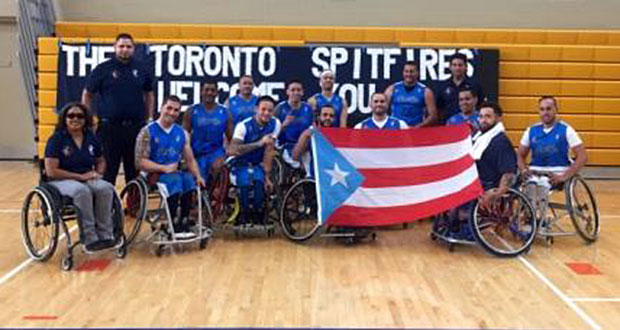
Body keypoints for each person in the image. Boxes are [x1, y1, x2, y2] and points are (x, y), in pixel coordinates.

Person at [82, 33, 155, 186]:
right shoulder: (103, 69)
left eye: (128, 46)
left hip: (135, 128)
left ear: (134, 49)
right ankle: (108, 208)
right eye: (121, 46)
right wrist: (89, 119)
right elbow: (87, 94)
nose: (125, 50)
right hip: (109, 128)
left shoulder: (141, 69)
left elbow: (149, 93)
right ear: (114, 48)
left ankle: (134, 207)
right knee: (108, 170)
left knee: (134, 171)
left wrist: (149, 118)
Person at [44, 102, 118, 253]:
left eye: (80, 116)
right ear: (64, 118)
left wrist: (98, 173)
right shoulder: (56, 139)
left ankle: (106, 234)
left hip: (85, 177)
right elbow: (51, 171)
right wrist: (80, 176)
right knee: (81, 191)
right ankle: (89, 239)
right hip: (61, 181)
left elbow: (101, 159)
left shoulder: (90, 137)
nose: (75, 119)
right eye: (71, 116)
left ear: (86, 119)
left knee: (105, 188)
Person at [135, 95, 206, 237]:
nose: (172, 113)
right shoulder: (147, 131)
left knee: (188, 179)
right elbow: (140, 162)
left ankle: (184, 220)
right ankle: (171, 222)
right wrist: (164, 168)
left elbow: (190, 160)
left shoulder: (182, 133)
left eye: (176, 110)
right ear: (161, 108)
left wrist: (198, 176)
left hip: (173, 173)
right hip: (154, 174)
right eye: (169, 108)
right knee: (175, 180)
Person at [516, 96, 587, 214]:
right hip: (535, 172)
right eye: (542, 109)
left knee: (541, 187)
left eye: (549, 109)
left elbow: (583, 157)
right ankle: (528, 219)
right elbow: (519, 155)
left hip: (557, 172)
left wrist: (564, 176)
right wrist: (523, 170)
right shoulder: (531, 130)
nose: (545, 112)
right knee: (523, 186)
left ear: (556, 110)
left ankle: (540, 220)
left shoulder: (566, 130)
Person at [227, 95, 281, 226]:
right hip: (239, 162)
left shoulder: (275, 124)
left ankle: (257, 214)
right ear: (256, 109)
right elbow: (232, 150)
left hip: (258, 163)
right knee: (245, 183)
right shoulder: (243, 126)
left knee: (259, 184)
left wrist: (267, 177)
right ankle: (243, 214)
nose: (266, 113)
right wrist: (258, 144)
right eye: (263, 109)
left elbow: (269, 151)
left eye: (270, 110)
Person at [184, 79, 233, 183]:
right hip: (197, 153)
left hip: (216, 153)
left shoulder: (225, 112)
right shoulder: (191, 111)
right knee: (197, 185)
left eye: (212, 90)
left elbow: (231, 140)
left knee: (215, 176)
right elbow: (184, 136)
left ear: (217, 93)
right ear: (201, 91)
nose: (209, 93)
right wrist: (187, 157)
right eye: (206, 90)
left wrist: (224, 157)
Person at [472, 102, 517, 206]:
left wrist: (498, 195)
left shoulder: (500, 142)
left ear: (497, 118)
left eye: (488, 116)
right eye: (481, 116)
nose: (483, 120)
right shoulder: (478, 139)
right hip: (476, 185)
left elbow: (508, 173)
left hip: (489, 187)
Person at [434, 53, 484, 124]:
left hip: (471, 125)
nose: (457, 68)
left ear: (466, 67)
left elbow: (481, 106)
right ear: (450, 67)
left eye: (460, 65)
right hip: (449, 126)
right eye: (454, 65)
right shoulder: (442, 86)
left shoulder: (475, 85)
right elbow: (439, 109)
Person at [385, 61, 437, 127]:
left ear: (417, 73)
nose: (409, 74)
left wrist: (418, 127)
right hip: (396, 130)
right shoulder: (392, 89)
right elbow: (382, 111)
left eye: (412, 71)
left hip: (417, 130)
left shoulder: (425, 91)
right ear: (403, 73)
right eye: (406, 71)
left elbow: (433, 116)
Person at [275, 79, 314, 169]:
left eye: (298, 90)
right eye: (293, 90)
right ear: (287, 92)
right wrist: (283, 125)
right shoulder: (280, 108)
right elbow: (271, 132)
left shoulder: (308, 108)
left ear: (303, 92)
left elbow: (313, 128)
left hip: (305, 148)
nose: (296, 93)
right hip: (285, 147)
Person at [291, 104, 337, 177]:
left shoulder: (337, 134)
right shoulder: (309, 133)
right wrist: (305, 137)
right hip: (312, 178)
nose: (328, 118)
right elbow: (295, 156)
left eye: (331, 116)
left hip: (332, 177)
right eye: (325, 115)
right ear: (319, 117)